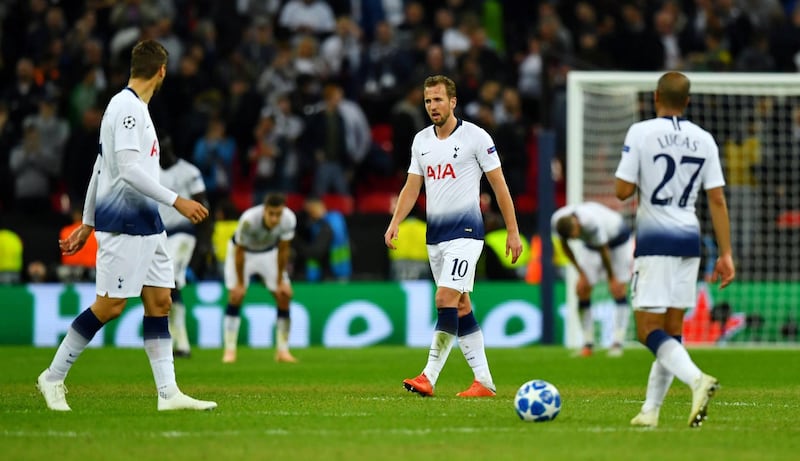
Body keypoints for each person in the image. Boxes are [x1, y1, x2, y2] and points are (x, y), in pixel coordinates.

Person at [37, 39, 217, 412]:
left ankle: (168, 394)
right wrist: (177, 200)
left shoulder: (131, 108)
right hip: (124, 222)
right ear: (162, 71)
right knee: (110, 305)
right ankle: (53, 377)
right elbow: (129, 169)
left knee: (160, 301)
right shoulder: (127, 109)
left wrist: (86, 223)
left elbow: (100, 167)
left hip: (147, 223)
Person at [384, 75, 523, 398]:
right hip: (436, 238)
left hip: (467, 233)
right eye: (428, 101)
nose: (433, 106)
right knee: (460, 306)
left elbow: (499, 186)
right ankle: (484, 382)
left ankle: (428, 376)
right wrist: (395, 221)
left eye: (438, 100)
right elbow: (412, 186)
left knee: (444, 299)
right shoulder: (421, 141)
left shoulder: (476, 137)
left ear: (453, 102)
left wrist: (513, 231)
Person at [615, 71, 734, 428]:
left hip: (655, 241)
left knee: (646, 329)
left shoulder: (641, 132)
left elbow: (622, 191)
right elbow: (716, 198)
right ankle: (651, 411)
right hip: (690, 240)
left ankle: (698, 380)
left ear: (655, 97)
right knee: (671, 330)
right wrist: (726, 254)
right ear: (687, 101)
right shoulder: (704, 139)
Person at [222, 192, 298, 364]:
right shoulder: (249, 220)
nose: (274, 218)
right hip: (242, 253)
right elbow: (239, 252)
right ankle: (230, 351)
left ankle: (283, 351)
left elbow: (284, 250)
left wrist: (279, 281)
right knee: (236, 295)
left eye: (278, 214)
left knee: (284, 295)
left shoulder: (289, 219)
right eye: (271, 214)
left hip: (269, 253)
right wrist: (241, 283)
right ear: (264, 210)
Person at [551, 202, 633, 357]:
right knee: (582, 289)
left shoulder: (591, 223)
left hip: (618, 240)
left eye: (574, 235)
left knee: (617, 289)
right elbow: (565, 246)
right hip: (591, 245)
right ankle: (587, 344)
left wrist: (612, 277)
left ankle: (617, 343)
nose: (574, 238)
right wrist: (580, 273)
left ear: (577, 224)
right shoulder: (557, 221)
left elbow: (604, 250)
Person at [158, 136, 210, 358]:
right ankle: (179, 343)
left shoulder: (189, 171)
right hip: (159, 235)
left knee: (168, 280)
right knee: (168, 285)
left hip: (183, 233)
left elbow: (203, 203)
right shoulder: (149, 172)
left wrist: (205, 239)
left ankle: (180, 343)